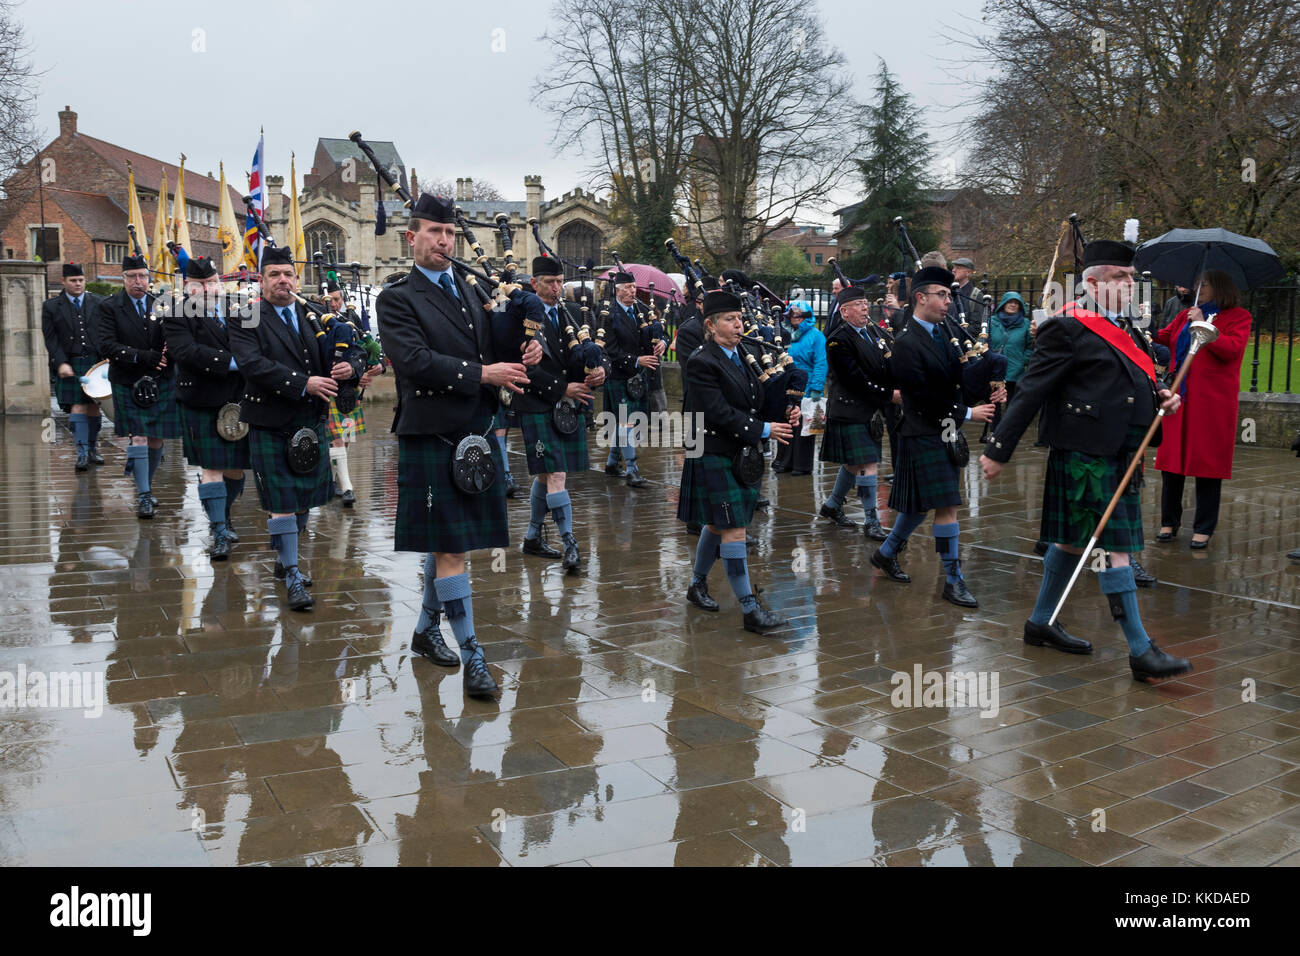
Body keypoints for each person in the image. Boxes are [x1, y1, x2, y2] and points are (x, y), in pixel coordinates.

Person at [980, 238, 1192, 682]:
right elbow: (1033, 389)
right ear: (1093, 282)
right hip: (1085, 455)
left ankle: (1040, 623)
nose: (1130, 284)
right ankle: (1140, 651)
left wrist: (1163, 397)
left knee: (1072, 542)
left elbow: (1134, 383)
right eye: (1121, 277)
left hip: (1122, 452)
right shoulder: (1067, 327)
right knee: (1119, 550)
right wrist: (999, 448)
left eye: (1132, 277)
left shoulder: (1131, 329)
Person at [375, 193, 542, 698]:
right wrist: (484, 373)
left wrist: (531, 342)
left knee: (449, 544)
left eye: (449, 234)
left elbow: (497, 346)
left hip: (476, 431)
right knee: (452, 549)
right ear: (412, 237)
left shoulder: (471, 291)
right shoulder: (397, 297)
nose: (444, 241)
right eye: (433, 232)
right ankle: (474, 655)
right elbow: (414, 361)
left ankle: (426, 631)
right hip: (432, 431)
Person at [229, 245, 361, 611]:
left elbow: (351, 349)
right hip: (271, 421)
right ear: (261, 280)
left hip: (310, 420)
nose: (283, 281)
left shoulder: (315, 314)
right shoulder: (246, 317)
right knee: (283, 503)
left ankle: (284, 554)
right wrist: (304, 383)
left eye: (288, 274)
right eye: (274, 275)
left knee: (304, 500)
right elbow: (253, 365)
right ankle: (291, 572)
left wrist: (351, 368)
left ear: (296, 278)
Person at [870, 266, 998, 608]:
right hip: (922, 431)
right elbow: (922, 397)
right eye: (941, 295)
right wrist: (969, 413)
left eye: (948, 295)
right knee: (946, 506)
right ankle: (952, 580)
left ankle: (885, 553)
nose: (948, 302)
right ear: (920, 298)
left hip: (943, 431)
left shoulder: (943, 335)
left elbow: (957, 383)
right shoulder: (907, 343)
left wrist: (988, 373)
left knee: (919, 506)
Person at [679, 289, 799, 634]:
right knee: (733, 529)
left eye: (740, 318)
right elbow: (715, 412)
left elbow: (755, 401)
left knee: (718, 526)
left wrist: (786, 406)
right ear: (710, 325)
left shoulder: (743, 354)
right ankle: (750, 610)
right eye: (730, 319)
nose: (739, 324)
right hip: (714, 450)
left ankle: (697, 584)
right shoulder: (702, 361)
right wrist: (762, 429)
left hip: (739, 453)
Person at [511, 255, 605, 572]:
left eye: (559, 282)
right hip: (538, 402)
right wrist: (563, 388)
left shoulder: (569, 315)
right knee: (557, 473)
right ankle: (570, 545)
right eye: (550, 283)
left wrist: (596, 371)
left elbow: (581, 356)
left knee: (545, 473)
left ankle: (533, 536)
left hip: (565, 406)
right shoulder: (522, 317)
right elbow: (524, 367)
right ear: (534, 284)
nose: (556, 288)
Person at [1153, 270, 1251, 550]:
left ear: (1219, 288)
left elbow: (1232, 350)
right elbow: (1164, 337)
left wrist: (1204, 328)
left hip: (1211, 403)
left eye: (1204, 284)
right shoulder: (1187, 313)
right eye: (1197, 284)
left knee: (1207, 465)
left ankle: (1204, 527)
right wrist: (1142, 326)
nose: (1198, 288)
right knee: (1171, 463)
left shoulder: (1238, 316)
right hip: (1179, 398)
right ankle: (1169, 521)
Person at [163, 256, 249, 559]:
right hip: (201, 398)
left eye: (212, 282)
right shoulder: (176, 313)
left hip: (238, 400)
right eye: (200, 284)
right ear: (188, 286)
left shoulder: (239, 309)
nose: (208, 288)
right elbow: (185, 351)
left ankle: (222, 516)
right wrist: (235, 362)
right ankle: (219, 530)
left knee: (237, 470)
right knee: (212, 467)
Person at [96, 253, 180, 518]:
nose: (138, 281)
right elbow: (107, 345)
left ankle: (147, 485)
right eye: (132, 276)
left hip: (160, 379)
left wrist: (167, 357)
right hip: (128, 379)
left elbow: (176, 339)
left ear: (149, 277)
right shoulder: (109, 307)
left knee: (155, 439)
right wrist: (146, 358)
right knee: (139, 436)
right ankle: (143, 494)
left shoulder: (163, 304)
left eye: (143, 275)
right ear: (123, 279)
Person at [817, 286, 896, 540]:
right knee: (868, 463)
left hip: (868, 408)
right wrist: (888, 394)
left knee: (853, 464)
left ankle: (832, 506)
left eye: (866, 303)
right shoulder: (838, 339)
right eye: (859, 304)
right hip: (849, 408)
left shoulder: (872, 333)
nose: (865, 308)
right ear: (845, 311)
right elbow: (854, 380)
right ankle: (871, 521)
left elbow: (885, 364)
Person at [323, 281, 382, 507]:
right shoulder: (318, 320)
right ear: (323, 300)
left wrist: (375, 369)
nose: (336, 304)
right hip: (329, 388)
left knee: (345, 440)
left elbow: (365, 353)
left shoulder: (352, 320)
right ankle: (347, 487)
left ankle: (333, 480)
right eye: (332, 300)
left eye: (338, 299)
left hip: (351, 391)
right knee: (338, 439)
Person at [43, 262, 105, 471]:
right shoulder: (51, 306)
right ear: (64, 282)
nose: (78, 284)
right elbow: (51, 340)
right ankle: (81, 452)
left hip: (96, 363)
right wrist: (61, 363)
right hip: (71, 362)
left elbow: (107, 333)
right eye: (73, 281)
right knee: (77, 407)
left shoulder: (98, 302)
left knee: (95, 407)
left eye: (80, 280)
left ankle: (93, 448)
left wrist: (107, 361)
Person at [602, 270, 659, 487]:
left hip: (637, 376)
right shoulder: (609, 313)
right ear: (617, 290)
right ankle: (632, 470)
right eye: (628, 287)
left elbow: (657, 333)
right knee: (625, 422)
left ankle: (612, 463)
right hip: (619, 375)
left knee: (626, 422)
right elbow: (610, 350)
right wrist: (637, 361)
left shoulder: (641, 311)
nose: (633, 291)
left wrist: (660, 342)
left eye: (634, 287)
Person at [773, 300, 824, 476]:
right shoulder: (785, 335)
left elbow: (821, 363)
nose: (795, 317)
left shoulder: (816, 336)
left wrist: (817, 387)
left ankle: (801, 465)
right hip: (788, 385)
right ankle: (784, 461)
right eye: (792, 313)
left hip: (808, 386)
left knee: (806, 427)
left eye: (798, 313)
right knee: (787, 423)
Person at [981, 291, 1034, 441]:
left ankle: (1010, 434)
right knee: (994, 402)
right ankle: (994, 433)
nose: (1012, 305)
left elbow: (1030, 346)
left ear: (1020, 306)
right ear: (1003, 304)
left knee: (1013, 405)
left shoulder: (1026, 324)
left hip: (1015, 370)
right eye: (1010, 302)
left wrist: (1023, 360)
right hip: (995, 369)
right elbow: (985, 342)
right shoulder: (992, 321)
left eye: (1016, 303)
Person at [948, 257, 986, 338]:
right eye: (954, 267)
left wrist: (951, 333)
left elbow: (976, 328)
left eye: (958, 268)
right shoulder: (948, 292)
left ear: (968, 272)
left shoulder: (976, 295)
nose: (953, 270)